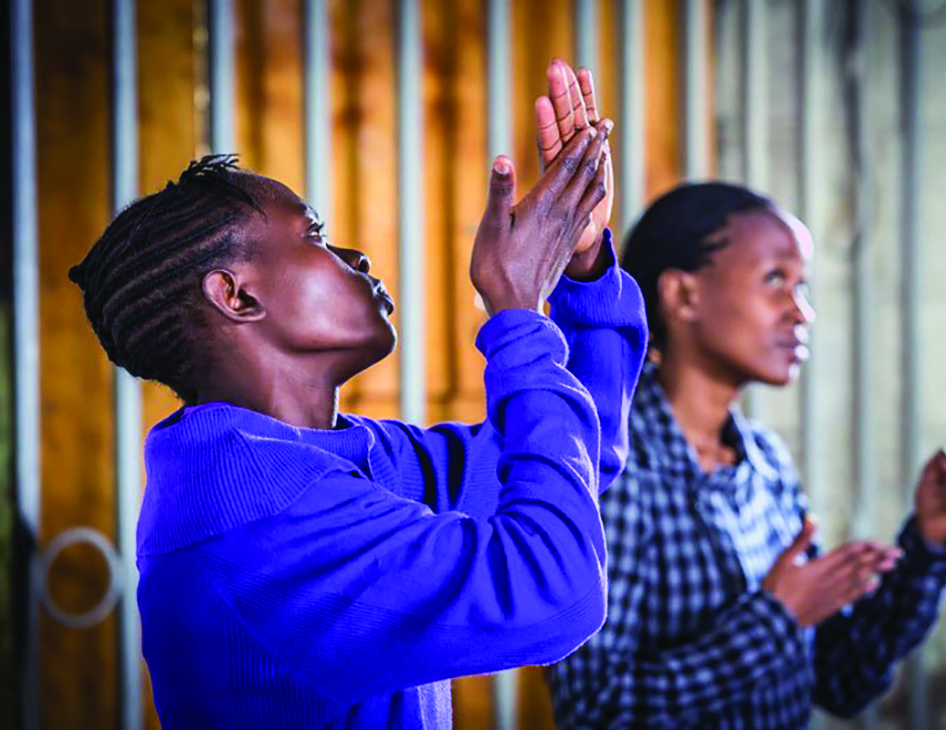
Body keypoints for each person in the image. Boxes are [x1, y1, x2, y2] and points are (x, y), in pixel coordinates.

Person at [67, 62, 647, 728]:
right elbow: (556, 593)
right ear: (237, 295)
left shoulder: (333, 459)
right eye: (313, 236)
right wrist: (515, 310)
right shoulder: (256, 517)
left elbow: (570, 457)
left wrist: (584, 266)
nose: (356, 256)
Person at [548, 183, 946, 728]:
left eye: (801, 286)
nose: (801, 313)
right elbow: (596, 712)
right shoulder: (618, 472)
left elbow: (842, 679)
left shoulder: (765, 462)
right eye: (775, 279)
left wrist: (928, 545)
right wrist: (777, 617)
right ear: (683, 296)